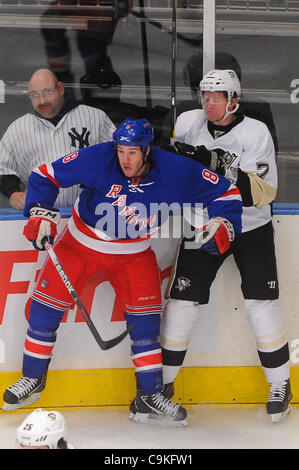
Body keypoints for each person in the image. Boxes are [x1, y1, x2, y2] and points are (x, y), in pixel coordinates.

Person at [2, 118, 242, 427]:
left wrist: (223, 223)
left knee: (146, 326)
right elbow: (45, 175)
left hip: (133, 254)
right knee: (43, 310)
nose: (124, 159)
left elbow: (226, 193)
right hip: (79, 245)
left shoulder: (175, 169)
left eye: (132, 152)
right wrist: (40, 211)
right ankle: (32, 379)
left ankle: (148, 397)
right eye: (120, 151)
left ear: (146, 150)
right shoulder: (99, 157)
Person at [160, 69, 291, 423]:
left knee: (260, 305)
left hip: (250, 227)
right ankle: (162, 386)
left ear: (234, 100)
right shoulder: (188, 122)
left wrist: (208, 163)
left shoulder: (255, 132)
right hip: (202, 225)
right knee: (182, 304)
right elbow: (173, 172)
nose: (209, 103)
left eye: (216, 97)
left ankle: (280, 383)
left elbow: (260, 192)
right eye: (205, 96)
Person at [0, 68, 116, 210]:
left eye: (48, 92)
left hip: (90, 214)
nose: (42, 101)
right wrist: (13, 194)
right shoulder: (18, 129)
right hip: (40, 215)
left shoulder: (94, 117)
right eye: (34, 95)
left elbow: (119, 157)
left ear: (61, 89)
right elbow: (4, 170)